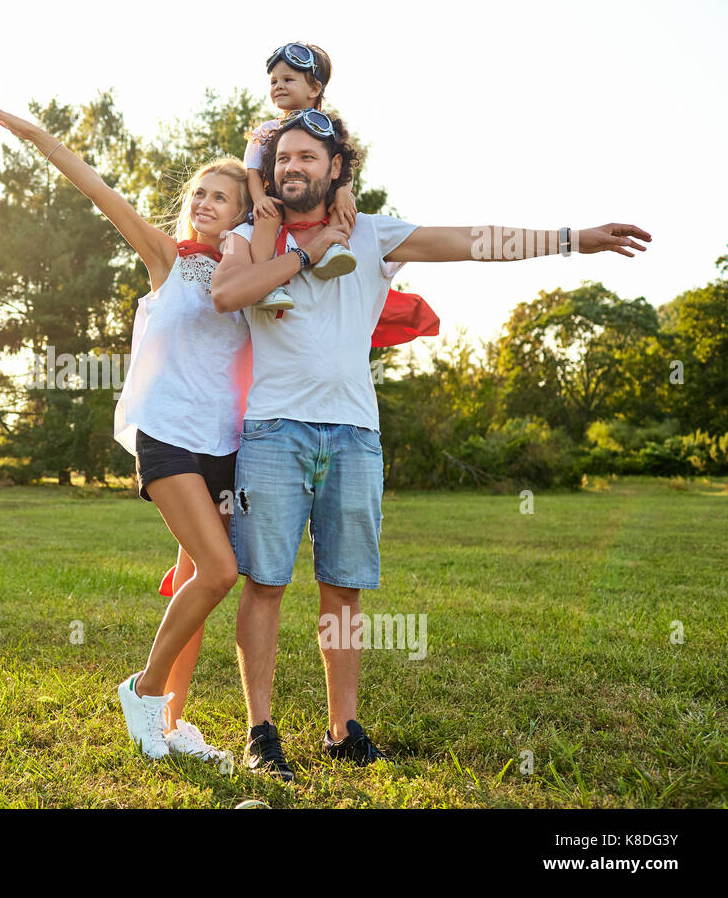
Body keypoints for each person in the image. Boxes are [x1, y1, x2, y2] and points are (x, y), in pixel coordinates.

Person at [210, 109, 650, 779]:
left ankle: (342, 728)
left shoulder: (377, 236)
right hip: (273, 431)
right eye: (284, 158)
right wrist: (304, 252)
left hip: (355, 435)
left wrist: (572, 239)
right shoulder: (247, 237)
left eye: (308, 157)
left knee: (346, 587)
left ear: (336, 170)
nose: (293, 166)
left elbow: (475, 240)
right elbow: (228, 294)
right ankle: (260, 732)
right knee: (266, 583)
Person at [0, 102, 251, 761]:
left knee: (197, 577)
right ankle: (143, 687)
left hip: (227, 445)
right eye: (201, 193)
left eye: (223, 196)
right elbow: (100, 190)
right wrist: (40, 137)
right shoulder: (169, 259)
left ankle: (169, 724)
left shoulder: (252, 279)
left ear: (247, 212)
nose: (207, 203)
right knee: (220, 572)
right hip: (167, 434)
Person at [245, 42, 357, 311]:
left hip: (321, 195)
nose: (277, 87)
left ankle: (334, 250)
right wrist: (259, 198)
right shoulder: (267, 130)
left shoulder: (328, 127)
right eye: (273, 81)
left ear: (315, 88)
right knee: (266, 218)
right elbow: (251, 170)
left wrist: (343, 193)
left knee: (344, 209)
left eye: (287, 79)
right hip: (282, 198)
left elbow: (346, 167)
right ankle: (268, 284)